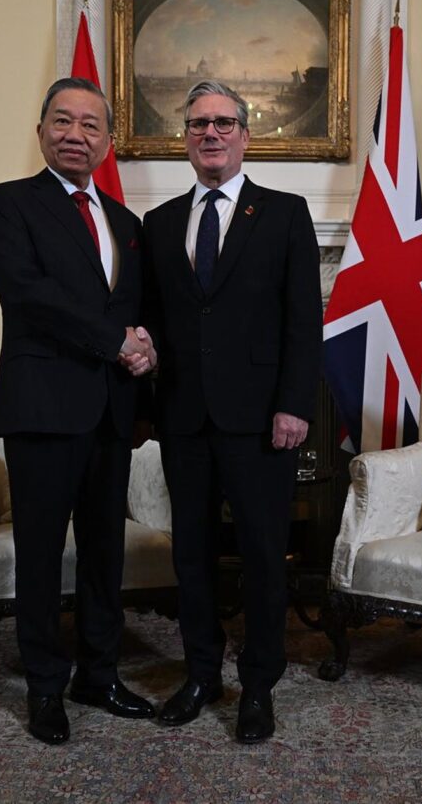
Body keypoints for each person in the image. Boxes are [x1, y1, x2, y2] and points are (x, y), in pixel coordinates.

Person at [141, 80, 323, 743]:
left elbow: (305, 320)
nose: (209, 134)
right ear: (184, 138)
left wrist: (294, 405)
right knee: (190, 556)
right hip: (184, 419)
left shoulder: (284, 214)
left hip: (261, 423)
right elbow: (154, 323)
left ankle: (259, 685)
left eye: (222, 123)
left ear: (246, 136)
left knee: (262, 556)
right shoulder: (159, 225)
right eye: (197, 125)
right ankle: (200, 674)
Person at [0, 77, 157, 746]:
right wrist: (117, 341)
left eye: (90, 125)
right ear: (41, 130)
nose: (75, 134)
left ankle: (99, 675)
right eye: (63, 120)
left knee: (103, 556)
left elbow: (136, 310)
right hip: (44, 409)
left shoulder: (126, 223)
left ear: (107, 140)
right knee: (42, 555)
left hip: (112, 413)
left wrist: (145, 347)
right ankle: (44, 686)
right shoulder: (8, 204)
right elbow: (30, 296)